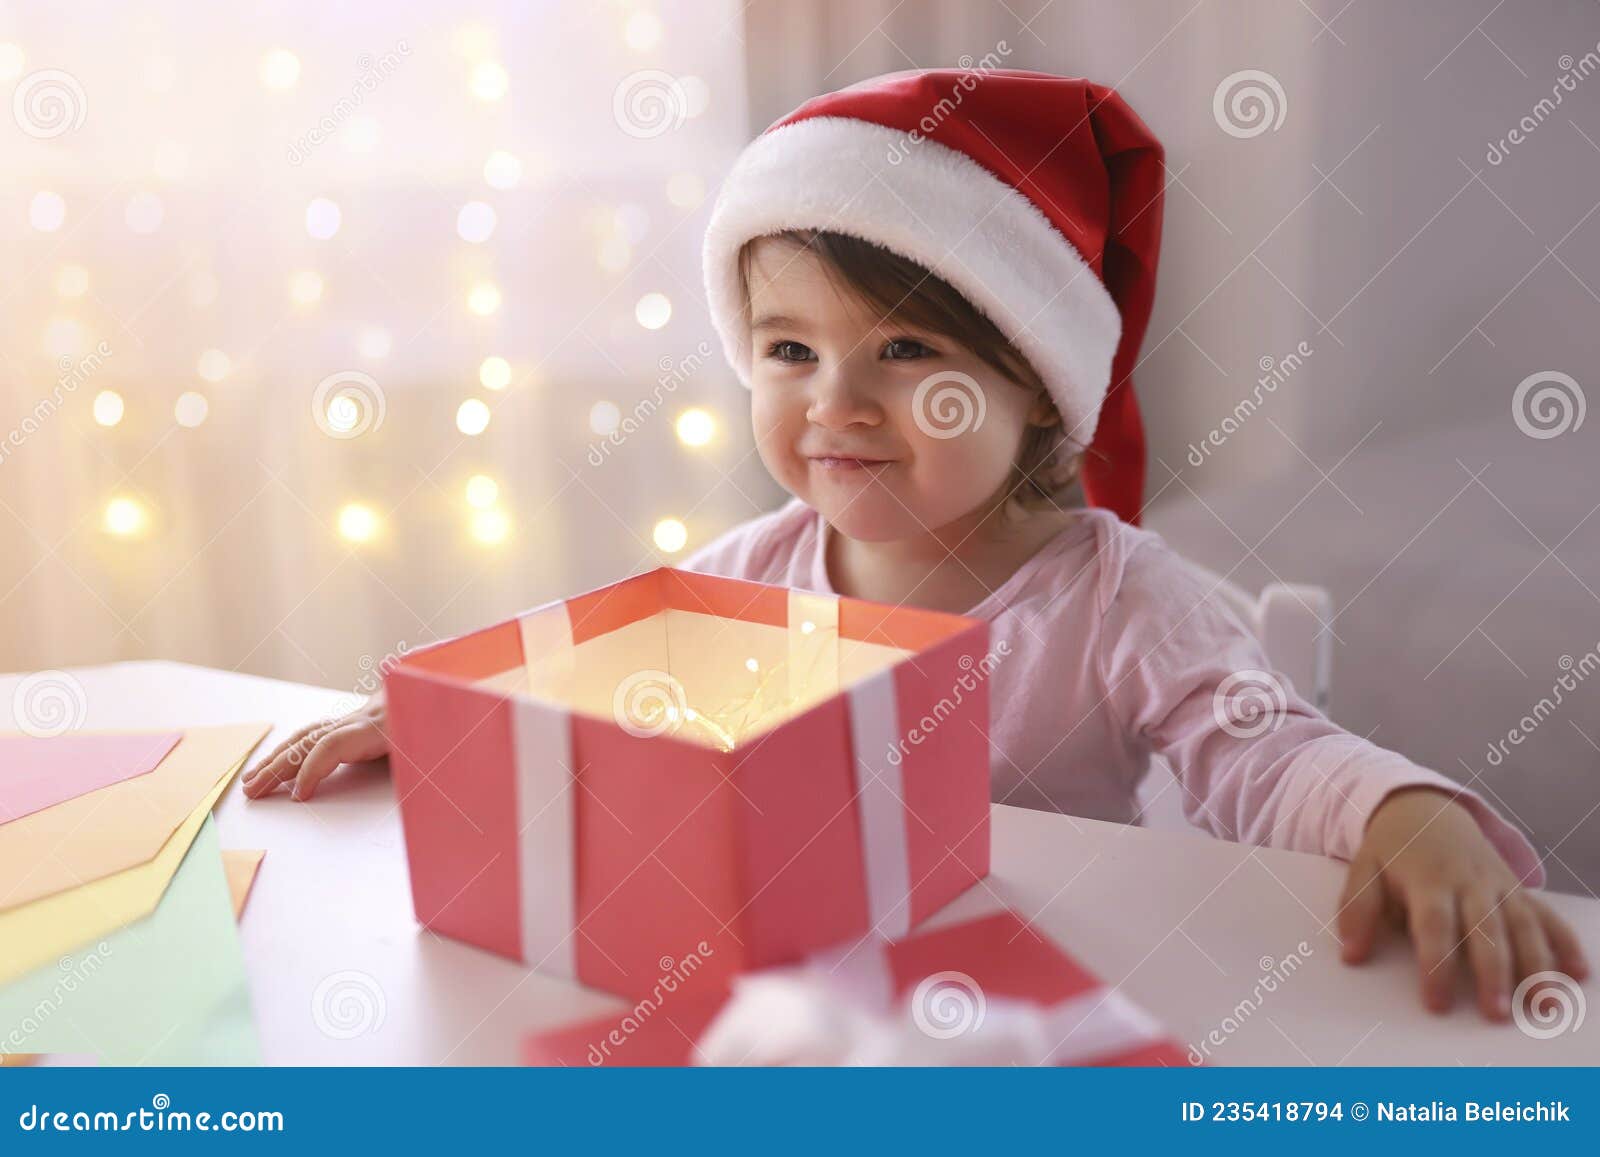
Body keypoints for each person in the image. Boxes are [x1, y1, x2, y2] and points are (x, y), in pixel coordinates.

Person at [244, 69, 1587, 1022]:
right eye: (790, 350)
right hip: (803, 1004)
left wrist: (1400, 808)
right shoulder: (744, 574)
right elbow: (587, 688)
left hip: (1034, 1005)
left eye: (905, 354)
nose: (835, 402)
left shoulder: (1124, 600)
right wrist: (441, 720)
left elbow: (1265, 749)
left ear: (1033, 392)